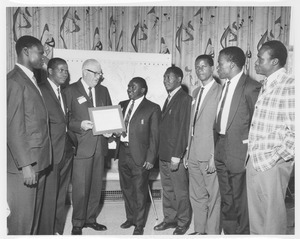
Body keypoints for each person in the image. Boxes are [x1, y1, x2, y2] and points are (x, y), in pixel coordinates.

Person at [246, 40, 294, 234]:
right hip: (254, 159)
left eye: (260, 58)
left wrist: (275, 158)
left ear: (274, 62)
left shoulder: (290, 85)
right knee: (256, 218)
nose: (256, 62)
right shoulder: (265, 84)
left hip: (271, 163)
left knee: (272, 221)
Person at [214, 46, 261, 234]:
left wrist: (248, 151)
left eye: (220, 63)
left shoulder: (251, 87)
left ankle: (243, 234)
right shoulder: (225, 86)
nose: (218, 67)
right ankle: (230, 232)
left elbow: (256, 124)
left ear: (232, 65)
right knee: (226, 197)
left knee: (241, 199)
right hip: (221, 147)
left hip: (239, 151)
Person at [7, 35, 51, 234]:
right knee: (22, 223)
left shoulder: (31, 79)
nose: (44, 56)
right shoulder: (14, 81)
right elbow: (13, 128)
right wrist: (25, 165)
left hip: (38, 162)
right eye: (40, 52)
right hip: (25, 167)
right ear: (26, 51)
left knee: (33, 220)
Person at [64, 59, 112, 235]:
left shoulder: (103, 91)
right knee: (80, 186)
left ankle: (91, 219)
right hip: (81, 146)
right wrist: (79, 125)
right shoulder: (69, 91)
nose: (99, 77)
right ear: (85, 71)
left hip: (100, 145)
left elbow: (108, 115)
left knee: (95, 185)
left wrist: (109, 130)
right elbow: (65, 119)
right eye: (96, 73)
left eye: (100, 74)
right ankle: (77, 222)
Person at [114, 77, 161, 235]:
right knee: (126, 188)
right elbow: (117, 127)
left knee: (140, 190)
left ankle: (139, 224)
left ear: (143, 90)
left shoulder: (152, 108)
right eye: (128, 86)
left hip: (141, 156)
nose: (129, 89)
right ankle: (131, 218)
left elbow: (155, 136)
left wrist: (150, 159)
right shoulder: (122, 105)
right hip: (123, 152)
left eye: (133, 87)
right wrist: (115, 131)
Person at [37, 58, 78, 235]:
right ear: (50, 71)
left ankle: (57, 230)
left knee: (61, 196)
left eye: (66, 70)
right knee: (48, 196)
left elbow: (65, 121)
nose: (65, 73)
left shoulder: (64, 92)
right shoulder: (40, 89)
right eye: (61, 70)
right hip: (50, 152)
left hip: (66, 151)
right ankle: (46, 232)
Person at [183, 54, 222, 235]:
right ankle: (200, 230)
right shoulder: (196, 92)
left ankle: (213, 233)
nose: (200, 70)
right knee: (197, 194)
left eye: (204, 66)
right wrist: (187, 151)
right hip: (193, 152)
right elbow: (192, 124)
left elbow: (220, 127)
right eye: (197, 67)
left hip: (209, 153)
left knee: (213, 196)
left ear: (212, 68)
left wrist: (215, 155)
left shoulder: (221, 92)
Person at [155, 66, 192, 235]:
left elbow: (183, 129)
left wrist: (177, 155)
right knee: (168, 189)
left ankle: (183, 222)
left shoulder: (184, 99)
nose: (165, 80)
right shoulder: (170, 98)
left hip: (174, 155)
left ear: (179, 79)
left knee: (180, 191)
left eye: (169, 77)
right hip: (164, 154)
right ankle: (170, 219)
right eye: (164, 77)